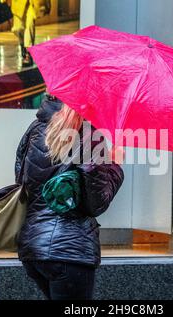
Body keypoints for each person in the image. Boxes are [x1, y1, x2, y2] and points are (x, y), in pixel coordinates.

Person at [15, 93, 125, 300]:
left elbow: (21, 181)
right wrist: (115, 165)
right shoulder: (89, 136)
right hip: (69, 250)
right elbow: (97, 203)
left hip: (33, 247)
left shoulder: (34, 129)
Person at [7, 0, 51, 67]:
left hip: (32, 3)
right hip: (18, 4)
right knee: (17, 28)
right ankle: (23, 44)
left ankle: (28, 53)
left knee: (30, 25)